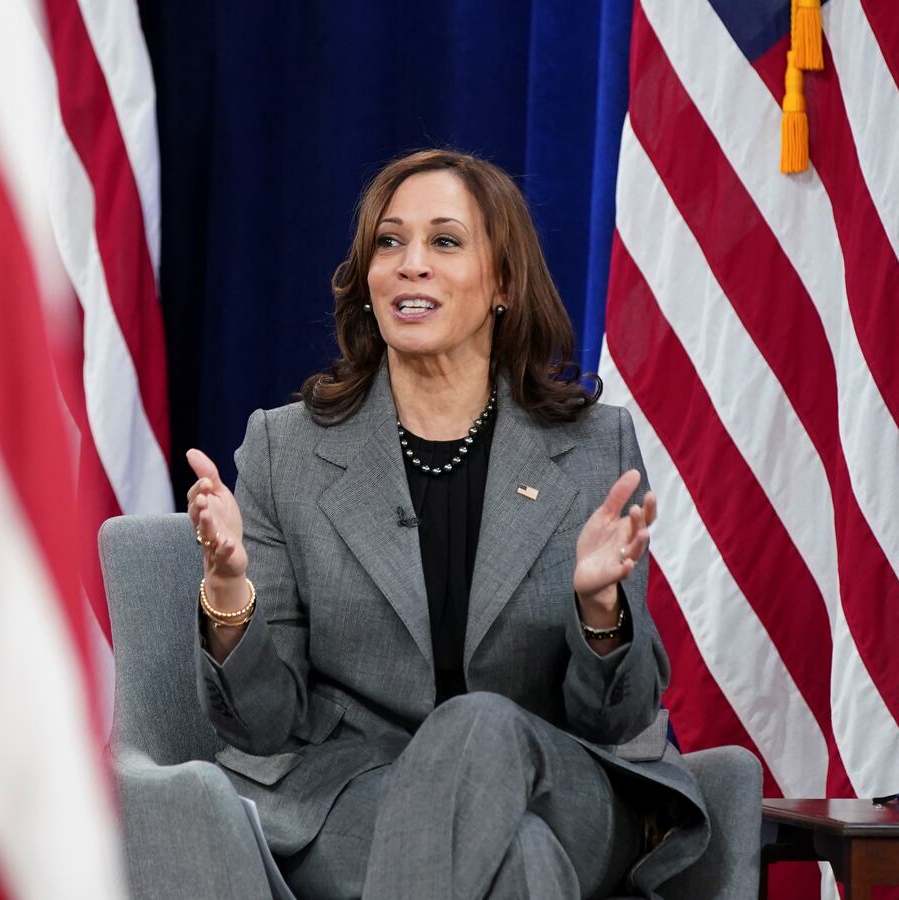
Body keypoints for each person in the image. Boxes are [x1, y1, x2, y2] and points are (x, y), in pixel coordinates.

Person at [184, 149, 708, 899]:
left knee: (481, 728)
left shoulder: (594, 448)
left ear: (502, 282)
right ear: (367, 282)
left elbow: (617, 717)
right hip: (355, 793)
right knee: (519, 860)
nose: (411, 264)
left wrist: (600, 612)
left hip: (560, 781)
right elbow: (263, 728)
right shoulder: (287, 450)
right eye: (389, 242)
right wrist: (230, 594)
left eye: (445, 241)